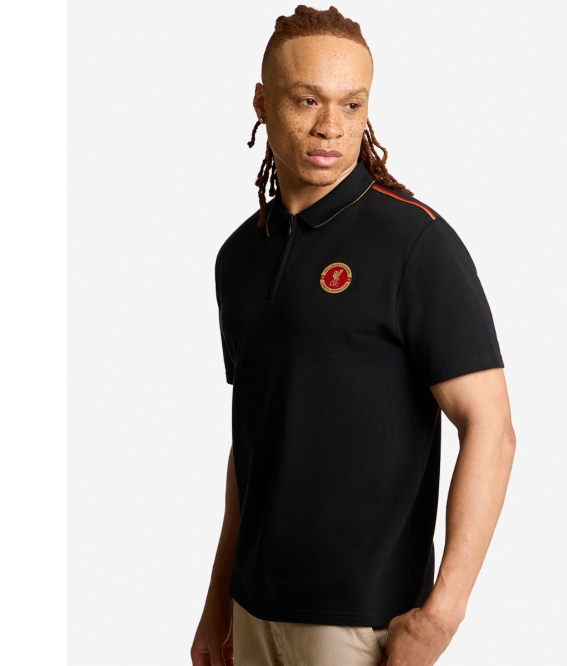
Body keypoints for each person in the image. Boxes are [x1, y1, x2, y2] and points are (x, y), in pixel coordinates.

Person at [191, 6, 516, 666]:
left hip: (361, 624)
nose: (331, 127)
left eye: (351, 103)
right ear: (262, 102)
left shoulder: (415, 243)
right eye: (307, 100)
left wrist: (442, 614)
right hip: (252, 613)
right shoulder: (239, 257)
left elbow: (491, 427)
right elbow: (252, 444)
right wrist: (216, 603)